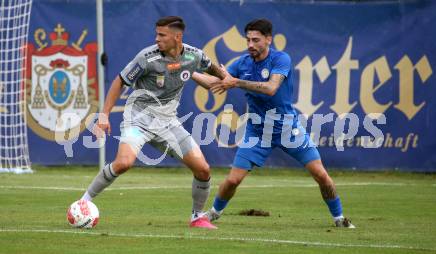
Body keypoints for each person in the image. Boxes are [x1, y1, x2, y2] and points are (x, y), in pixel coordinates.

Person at [192, 19, 355, 228]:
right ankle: (213, 213)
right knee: (233, 180)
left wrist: (237, 82)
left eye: (256, 40)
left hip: (287, 128)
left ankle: (339, 218)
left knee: (321, 175)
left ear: (269, 39)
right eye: (248, 40)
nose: (250, 44)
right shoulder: (242, 63)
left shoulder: (281, 59)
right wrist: (186, 72)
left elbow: (271, 88)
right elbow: (214, 83)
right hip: (257, 131)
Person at [79, 16, 228, 229]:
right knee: (123, 163)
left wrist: (225, 76)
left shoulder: (194, 55)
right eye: (156, 34)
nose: (156, 39)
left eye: (162, 35)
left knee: (203, 170)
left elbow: (211, 68)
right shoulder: (146, 58)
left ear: (178, 37)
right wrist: (103, 116)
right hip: (138, 121)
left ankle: (197, 217)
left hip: (168, 124)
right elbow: (119, 82)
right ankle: (84, 202)